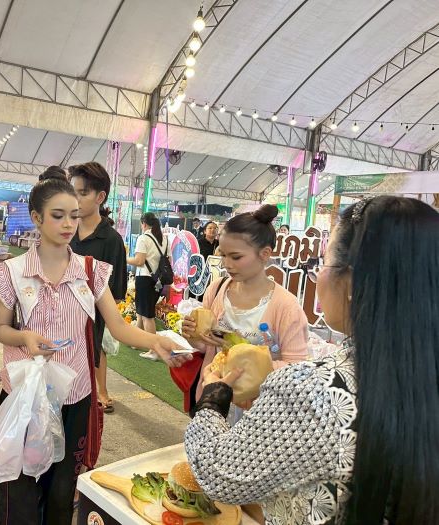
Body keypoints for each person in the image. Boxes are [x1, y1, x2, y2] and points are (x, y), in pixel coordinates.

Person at [184, 196, 439, 524]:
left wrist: (212, 401)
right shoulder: (420, 380)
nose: (319, 274)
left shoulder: (311, 391)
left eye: (325, 262)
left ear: (352, 281)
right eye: (223, 254)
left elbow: (219, 473)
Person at [0, 175, 189, 525]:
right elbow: (1, 329)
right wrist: (26, 338)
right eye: (58, 215)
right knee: (17, 490)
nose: (68, 224)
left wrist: (156, 340)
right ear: (36, 218)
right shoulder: (13, 271)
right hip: (24, 396)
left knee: (62, 490)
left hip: (75, 396)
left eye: (73, 215)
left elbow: (119, 326)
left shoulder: (90, 271)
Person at [181, 204, 308, 414]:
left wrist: (242, 353)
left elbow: (298, 369)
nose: (227, 264)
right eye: (223, 255)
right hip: (213, 404)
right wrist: (193, 336)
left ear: (265, 254)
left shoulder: (286, 306)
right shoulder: (217, 289)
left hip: (261, 414)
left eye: (236, 257)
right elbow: (208, 348)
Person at [69, 162, 127, 414]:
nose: (76, 199)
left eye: (83, 193)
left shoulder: (112, 240)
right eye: (73, 192)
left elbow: (117, 292)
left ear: (100, 197)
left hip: (92, 326)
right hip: (59, 324)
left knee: (82, 404)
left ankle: (99, 393)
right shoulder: (65, 231)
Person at [127, 212, 170, 361]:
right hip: (158, 279)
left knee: (147, 315)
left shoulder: (143, 238)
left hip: (145, 278)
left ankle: (154, 349)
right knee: (141, 312)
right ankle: (137, 342)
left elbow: (139, 261)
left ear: (144, 223)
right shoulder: (164, 239)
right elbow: (168, 260)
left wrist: (124, 258)